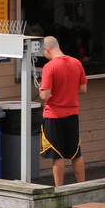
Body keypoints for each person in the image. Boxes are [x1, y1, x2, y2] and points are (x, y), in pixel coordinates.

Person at [38, 35, 87, 186]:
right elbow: (83, 89)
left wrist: (40, 90)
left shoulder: (49, 67)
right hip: (72, 114)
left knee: (57, 155)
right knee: (75, 154)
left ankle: (60, 190)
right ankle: (82, 186)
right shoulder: (76, 63)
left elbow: (45, 96)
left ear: (47, 50)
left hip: (54, 115)